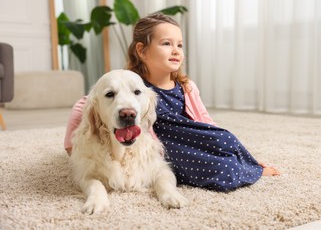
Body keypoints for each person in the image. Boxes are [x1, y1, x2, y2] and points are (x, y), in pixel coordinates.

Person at [64, 13, 280, 192]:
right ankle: (238, 167)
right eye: (166, 44)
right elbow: (89, 103)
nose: (176, 50)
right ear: (142, 50)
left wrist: (246, 157)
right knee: (225, 169)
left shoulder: (186, 87)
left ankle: (252, 166)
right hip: (170, 147)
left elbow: (204, 120)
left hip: (193, 136)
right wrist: (71, 144)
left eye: (180, 45)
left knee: (226, 139)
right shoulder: (131, 84)